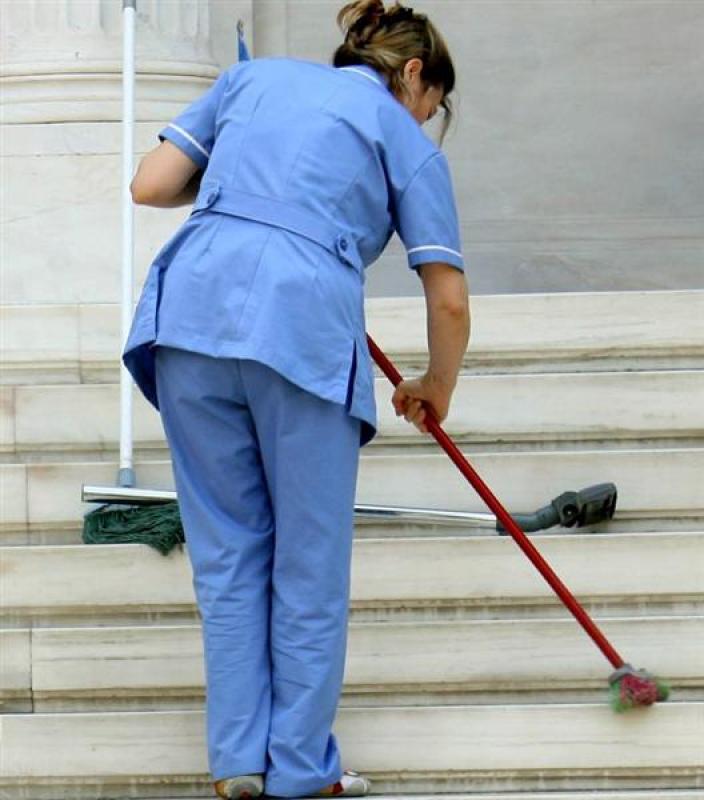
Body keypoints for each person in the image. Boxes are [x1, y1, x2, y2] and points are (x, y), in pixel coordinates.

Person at [123, 1, 470, 798]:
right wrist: (435, 386)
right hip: (301, 330)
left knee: (228, 554)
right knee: (308, 565)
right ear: (414, 74)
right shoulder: (404, 141)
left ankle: (238, 762)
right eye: (433, 104)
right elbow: (448, 299)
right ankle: (301, 771)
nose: (428, 120)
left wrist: (248, 198)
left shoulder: (250, 80)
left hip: (192, 316)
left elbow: (151, 184)